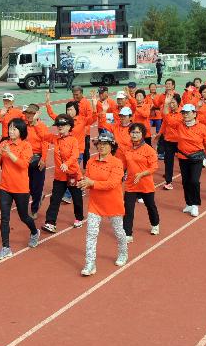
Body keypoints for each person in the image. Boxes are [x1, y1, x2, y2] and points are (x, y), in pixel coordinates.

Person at [79, 131, 128, 276]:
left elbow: (112, 184)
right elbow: (87, 179)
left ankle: (123, 252)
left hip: (113, 204)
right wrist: (83, 183)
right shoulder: (90, 162)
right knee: (91, 234)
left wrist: (91, 183)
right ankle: (90, 264)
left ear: (112, 146)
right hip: (95, 205)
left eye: (105, 144)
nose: (101, 146)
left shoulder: (117, 163)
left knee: (118, 232)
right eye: (99, 144)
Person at [0, 118, 40, 259]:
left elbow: (24, 165)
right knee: (4, 218)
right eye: (10, 128)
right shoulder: (4, 143)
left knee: (23, 216)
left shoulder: (26, 146)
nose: (11, 131)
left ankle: (34, 232)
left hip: (20, 188)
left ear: (21, 131)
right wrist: (1, 153)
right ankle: (6, 247)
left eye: (14, 129)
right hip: (5, 187)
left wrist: (9, 153)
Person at [41, 113, 84, 233]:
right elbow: (42, 135)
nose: (60, 127)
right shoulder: (55, 138)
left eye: (62, 125)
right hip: (59, 176)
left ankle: (79, 218)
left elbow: (75, 155)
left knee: (77, 198)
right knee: (55, 199)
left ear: (69, 126)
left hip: (73, 174)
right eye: (58, 125)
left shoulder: (73, 140)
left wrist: (67, 163)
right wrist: (36, 121)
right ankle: (50, 222)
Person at [117, 123, 159, 240]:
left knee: (150, 206)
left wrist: (141, 174)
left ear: (143, 134)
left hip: (145, 184)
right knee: (128, 209)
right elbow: (123, 166)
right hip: (131, 184)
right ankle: (127, 233)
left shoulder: (149, 150)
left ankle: (155, 224)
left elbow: (154, 167)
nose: (134, 135)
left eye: (137, 132)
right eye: (133, 132)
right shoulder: (127, 149)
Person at [172, 103, 206, 217]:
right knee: (185, 181)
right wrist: (167, 105)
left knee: (194, 181)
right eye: (183, 113)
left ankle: (195, 204)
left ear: (194, 114)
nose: (185, 115)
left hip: (197, 158)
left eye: (187, 113)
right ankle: (189, 203)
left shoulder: (202, 127)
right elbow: (167, 118)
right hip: (183, 158)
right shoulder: (179, 125)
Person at [22, 104, 50, 218]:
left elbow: (45, 143)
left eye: (31, 113)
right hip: (25, 158)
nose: (28, 116)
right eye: (27, 113)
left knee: (37, 185)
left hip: (37, 158)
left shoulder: (42, 127)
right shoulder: (23, 126)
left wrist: (43, 160)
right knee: (27, 185)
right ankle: (38, 197)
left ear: (37, 114)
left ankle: (34, 210)